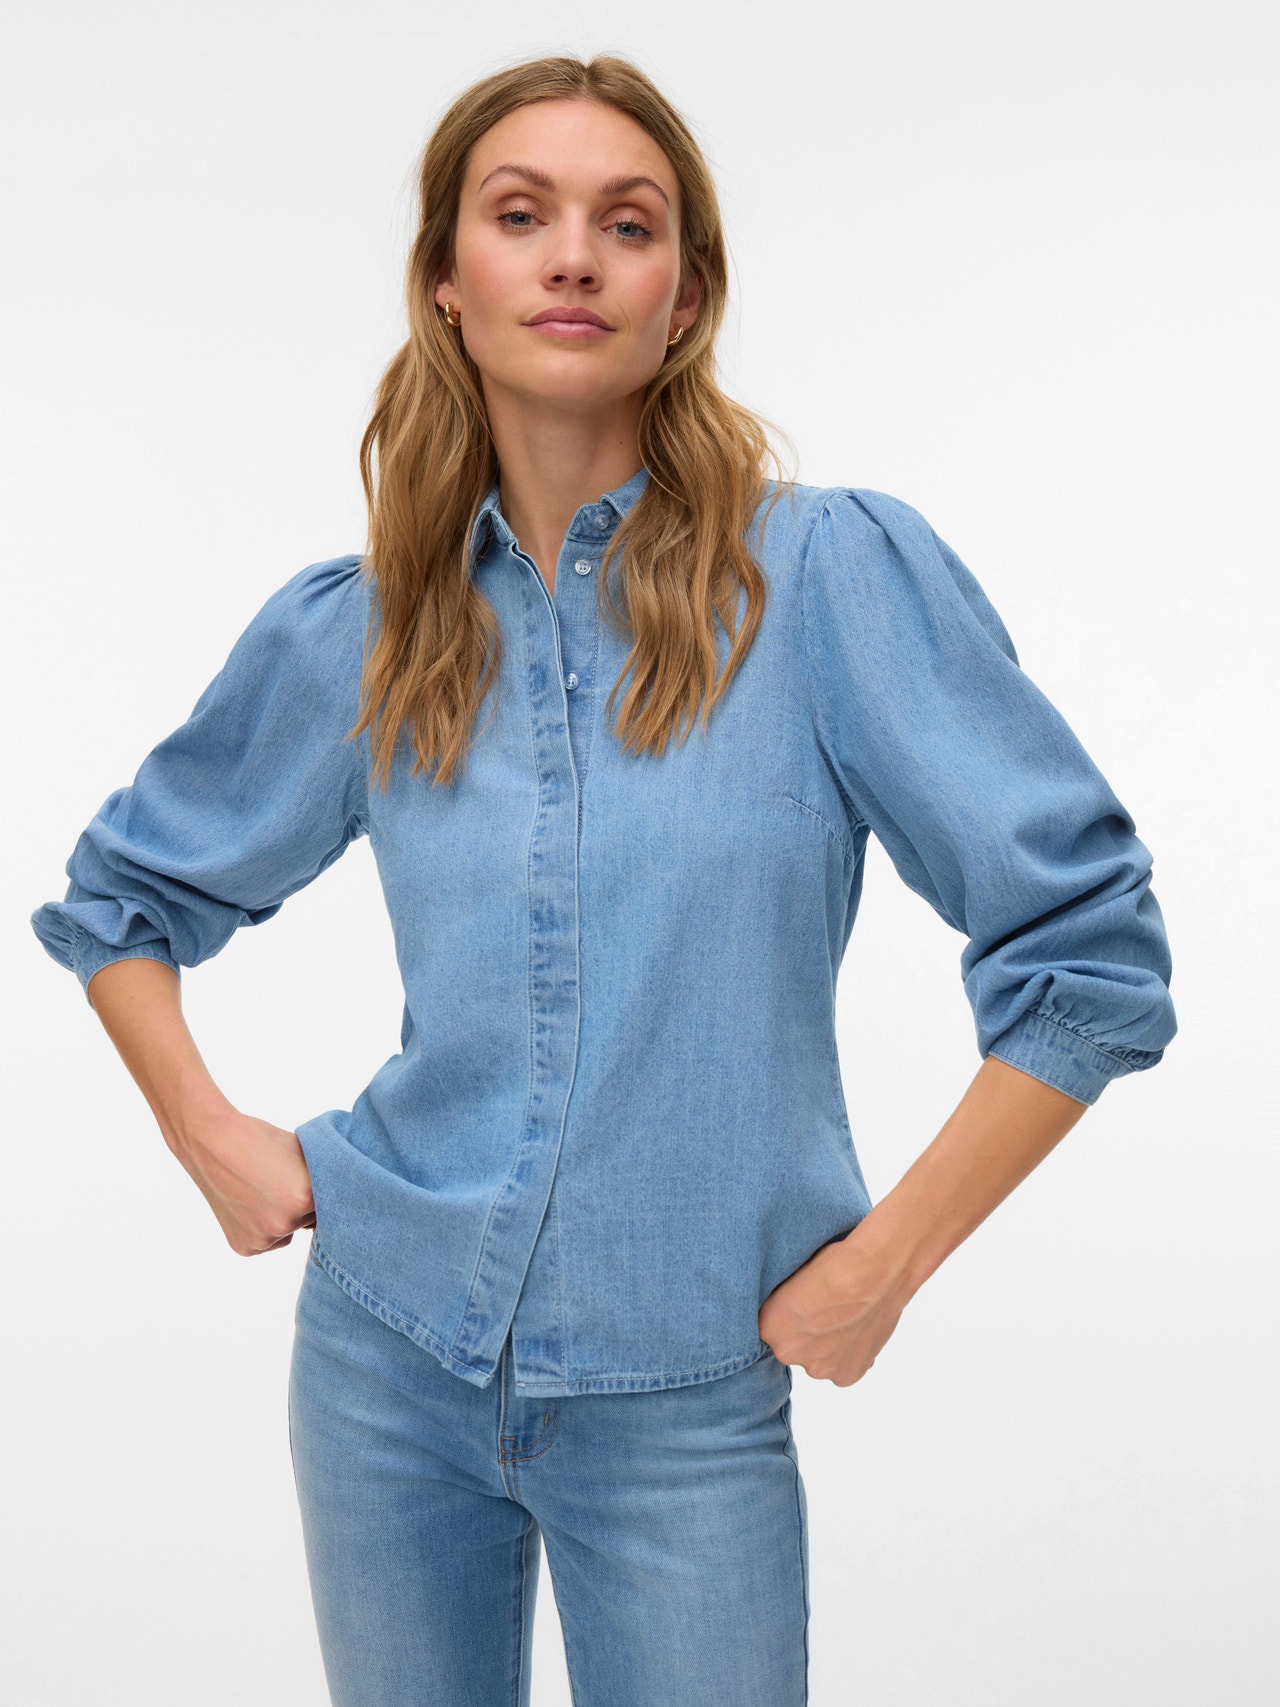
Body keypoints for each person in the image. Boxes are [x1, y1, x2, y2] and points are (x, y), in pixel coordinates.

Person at [30, 52, 1176, 1707]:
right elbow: (124, 900)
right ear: (445, 279)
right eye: (521, 215)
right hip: (383, 1356)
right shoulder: (369, 628)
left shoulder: (826, 582)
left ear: (684, 298)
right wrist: (204, 1132)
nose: (572, 257)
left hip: (686, 1400)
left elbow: (1091, 955)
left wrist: (886, 1267)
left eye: (626, 226)